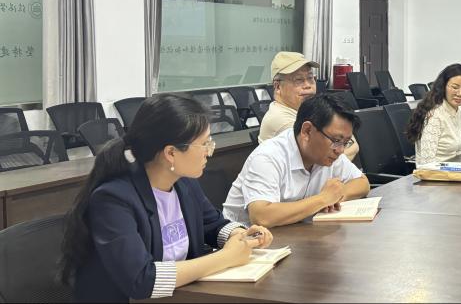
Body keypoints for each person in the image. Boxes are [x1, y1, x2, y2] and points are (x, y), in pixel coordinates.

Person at [61, 94, 274, 303]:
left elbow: (213, 224)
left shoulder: (184, 183)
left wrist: (241, 235)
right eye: (204, 144)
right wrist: (225, 257)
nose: (209, 152)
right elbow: (142, 280)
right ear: (171, 153)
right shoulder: (113, 200)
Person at [222, 94, 370, 227]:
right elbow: (261, 216)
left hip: (294, 234)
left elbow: (362, 183)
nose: (341, 150)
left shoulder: (329, 153)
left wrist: (338, 194)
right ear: (307, 131)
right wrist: (323, 199)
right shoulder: (268, 156)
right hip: (243, 240)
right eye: (337, 140)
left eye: (345, 142)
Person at [258, 51, 359, 162]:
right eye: (299, 80)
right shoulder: (281, 120)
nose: (307, 85)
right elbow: (326, 160)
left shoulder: (308, 110)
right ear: (278, 86)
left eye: (310, 78)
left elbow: (348, 142)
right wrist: (348, 147)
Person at [406, 64, 461, 166]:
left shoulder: (457, 110)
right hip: (436, 173)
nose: (460, 93)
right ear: (443, 86)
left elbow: (460, 152)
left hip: (454, 169)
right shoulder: (435, 115)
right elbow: (426, 164)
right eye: (455, 87)